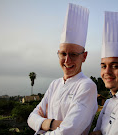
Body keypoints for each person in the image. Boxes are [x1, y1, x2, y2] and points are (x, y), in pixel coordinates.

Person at [27, 3, 98, 135]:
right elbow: (31, 118)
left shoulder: (87, 86)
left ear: (84, 56)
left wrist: (43, 124)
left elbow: (69, 131)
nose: (67, 60)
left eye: (73, 54)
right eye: (63, 54)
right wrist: (52, 123)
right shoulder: (55, 84)